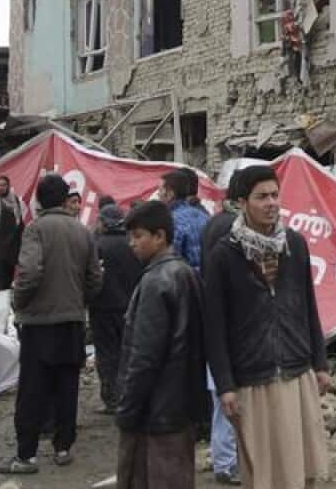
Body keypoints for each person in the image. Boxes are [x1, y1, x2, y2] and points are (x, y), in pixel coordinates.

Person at [205, 165, 331, 489]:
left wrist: (319, 364)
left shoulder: (294, 244)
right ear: (242, 202)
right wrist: (225, 385)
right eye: (262, 197)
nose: (271, 203)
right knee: (264, 470)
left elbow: (308, 306)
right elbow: (214, 327)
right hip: (254, 378)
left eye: (275, 195)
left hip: (296, 372)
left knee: (302, 466)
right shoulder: (224, 254)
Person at [0, 174, 103, 475]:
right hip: (72, 323)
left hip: (39, 323)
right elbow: (95, 279)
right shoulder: (82, 231)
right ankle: (63, 448)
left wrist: (19, 301)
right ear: (63, 198)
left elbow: (29, 273)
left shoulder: (36, 229)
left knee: (33, 390)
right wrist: (78, 301)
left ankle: (26, 456)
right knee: (67, 387)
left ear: (40, 200)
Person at [116, 201, 208, 489]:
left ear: (160, 236)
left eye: (138, 236)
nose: (132, 244)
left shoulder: (156, 281)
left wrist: (127, 408)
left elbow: (144, 357)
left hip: (156, 409)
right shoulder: (185, 273)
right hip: (181, 405)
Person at [200, 173, 245, 485]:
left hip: (216, 315)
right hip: (232, 321)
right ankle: (228, 463)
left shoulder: (213, 222)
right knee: (229, 400)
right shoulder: (234, 228)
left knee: (221, 399)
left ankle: (225, 460)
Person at [90, 200, 140, 415]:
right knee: (127, 352)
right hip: (129, 306)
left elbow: (92, 278)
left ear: (104, 222)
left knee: (106, 354)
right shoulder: (133, 243)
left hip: (102, 308)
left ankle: (111, 398)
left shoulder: (97, 246)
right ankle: (129, 395)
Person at [160, 170, 208, 271]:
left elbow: (169, 263)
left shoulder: (171, 221)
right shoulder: (204, 216)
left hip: (183, 278)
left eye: (160, 190)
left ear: (170, 194)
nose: (158, 195)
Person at [0, 176, 25, 291]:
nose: (1, 187)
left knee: (8, 280)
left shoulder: (15, 201)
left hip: (11, 248)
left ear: (8, 186)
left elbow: (19, 223)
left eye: (3, 185)